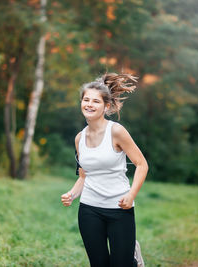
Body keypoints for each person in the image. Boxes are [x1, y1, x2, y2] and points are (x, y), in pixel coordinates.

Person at [61, 73, 149, 267]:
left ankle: (132, 258)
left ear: (106, 106)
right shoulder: (79, 138)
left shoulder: (116, 131)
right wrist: (72, 194)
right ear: (81, 103)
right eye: (86, 100)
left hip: (119, 208)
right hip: (89, 209)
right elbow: (83, 177)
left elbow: (142, 164)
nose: (89, 104)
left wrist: (131, 195)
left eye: (95, 101)